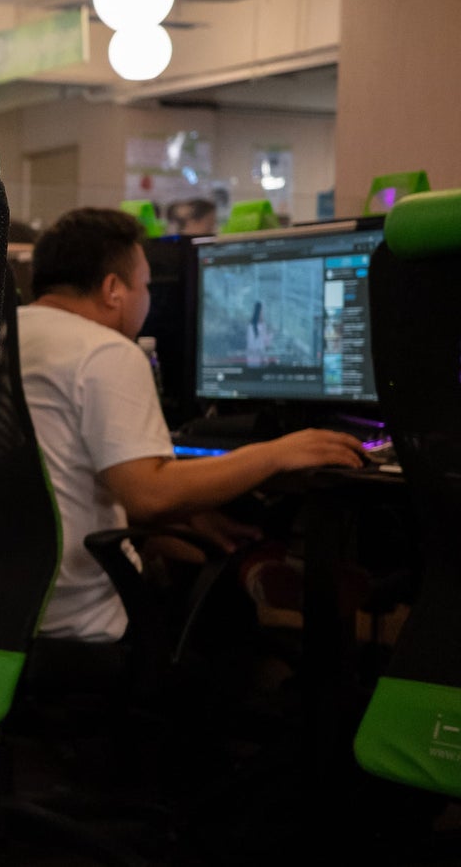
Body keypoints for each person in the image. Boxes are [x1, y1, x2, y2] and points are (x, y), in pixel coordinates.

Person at [18, 207, 362, 642]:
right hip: (80, 617)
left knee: (197, 541)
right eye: (145, 285)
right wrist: (276, 453)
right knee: (216, 599)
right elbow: (150, 496)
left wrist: (191, 514)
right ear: (112, 290)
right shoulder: (103, 350)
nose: (148, 299)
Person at [245, 300, 272, 367]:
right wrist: (271, 334)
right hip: (260, 356)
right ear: (261, 311)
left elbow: (248, 340)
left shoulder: (250, 324)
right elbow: (266, 342)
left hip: (251, 356)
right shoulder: (262, 325)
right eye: (263, 310)